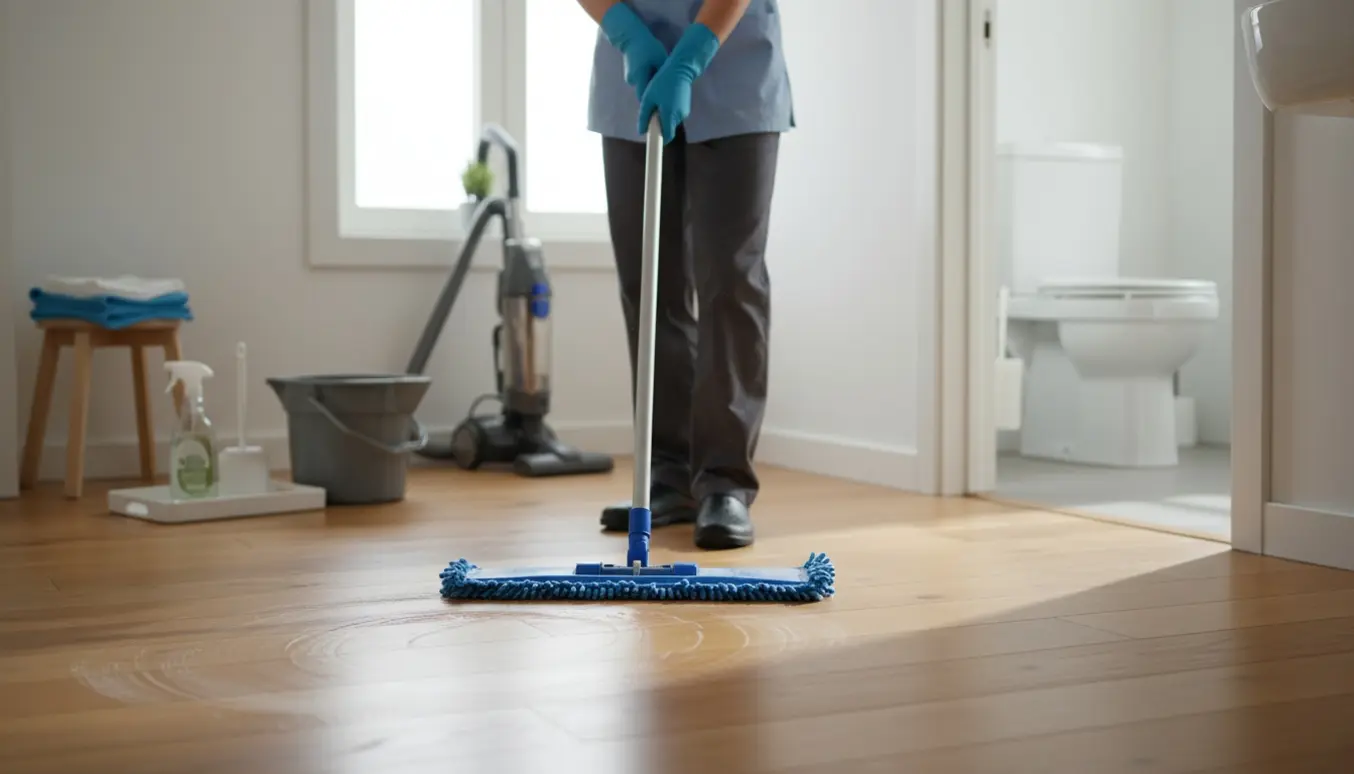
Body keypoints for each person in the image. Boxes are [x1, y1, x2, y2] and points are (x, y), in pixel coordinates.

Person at [575, 0, 793, 550]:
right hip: (634, 74)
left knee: (730, 280)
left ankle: (724, 484)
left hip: (734, 62)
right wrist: (628, 35)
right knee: (649, 284)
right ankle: (666, 477)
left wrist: (692, 56)